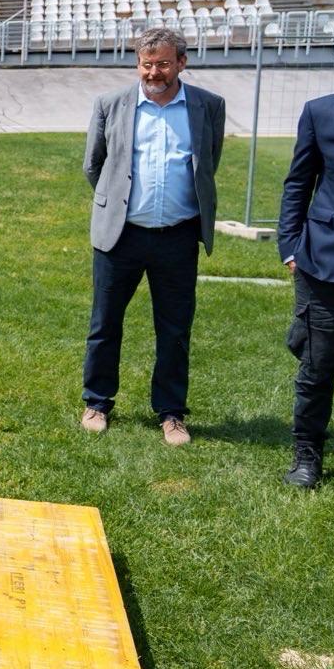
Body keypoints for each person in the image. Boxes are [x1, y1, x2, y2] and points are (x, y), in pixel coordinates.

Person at [81, 26, 225, 445]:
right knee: (105, 323)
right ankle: (97, 402)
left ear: (182, 62)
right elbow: (94, 165)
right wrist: (117, 203)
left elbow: (208, 164)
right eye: (146, 64)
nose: (153, 73)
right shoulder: (111, 104)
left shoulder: (208, 106)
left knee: (175, 330)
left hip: (178, 238)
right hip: (120, 237)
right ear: (137, 64)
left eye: (163, 64)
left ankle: (171, 413)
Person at [277, 88, 334, 488]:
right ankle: (307, 454)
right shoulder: (320, 112)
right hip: (325, 260)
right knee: (318, 364)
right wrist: (289, 245)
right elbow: (299, 181)